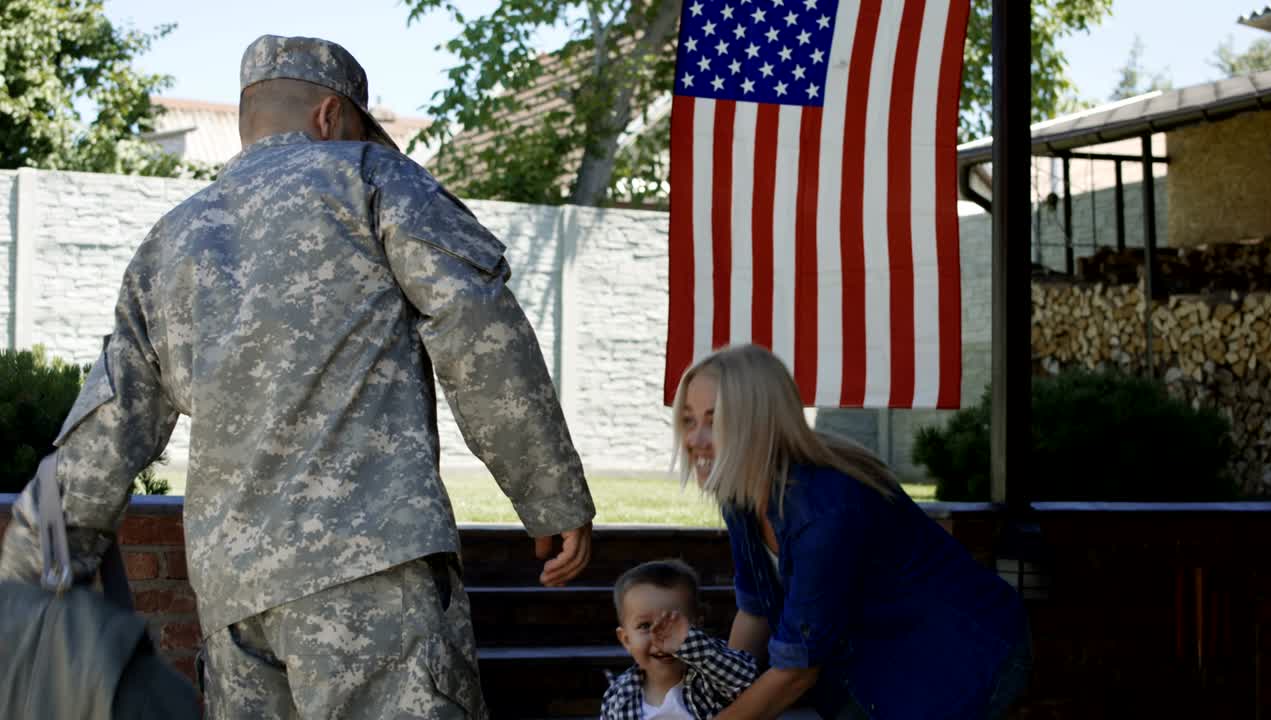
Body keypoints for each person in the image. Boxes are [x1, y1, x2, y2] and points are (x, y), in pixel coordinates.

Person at [0, 34, 596, 719]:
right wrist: (551, 497)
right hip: (371, 574)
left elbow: (102, 433)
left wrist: (22, 583)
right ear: (330, 116)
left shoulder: (169, 242)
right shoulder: (372, 179)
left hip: (234, 605)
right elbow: (477, 329)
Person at [670, 344, 1032, 720]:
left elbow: (797, 672)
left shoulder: (823, 509)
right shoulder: (739, 493)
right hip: (878, 664)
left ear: (759, 421)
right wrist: (717, 700)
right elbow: (755, 613)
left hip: (966, 653)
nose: (694, 439)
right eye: (689, 420)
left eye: (714, 420)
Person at [601, 559, 758, 719]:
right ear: (626, 640)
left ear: (697, 626)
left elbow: (747, 679)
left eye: (673, 625)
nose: (661, 637)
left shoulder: (713, 677)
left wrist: (689, 643)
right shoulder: (618, 696)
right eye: (645, 625)